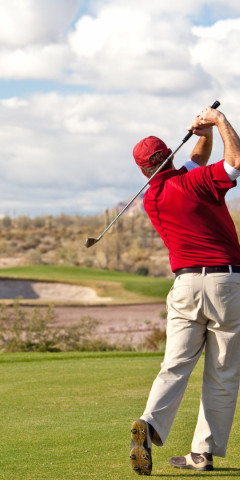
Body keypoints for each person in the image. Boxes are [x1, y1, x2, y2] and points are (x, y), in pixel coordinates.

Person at [129, 105, 240, 475]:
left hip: (185, 286)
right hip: (226, 283)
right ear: (170, 155)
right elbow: (235, 162)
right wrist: (219, 122)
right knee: (222, 373)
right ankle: (202, 453)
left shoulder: (153, 197)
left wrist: (203, 135)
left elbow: (195, 162)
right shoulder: (198, 182)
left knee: (175, 365)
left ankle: (150, 423)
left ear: (144, 170)